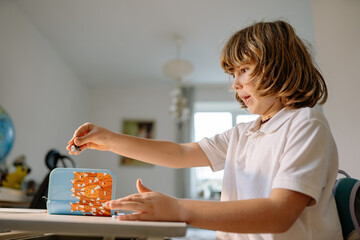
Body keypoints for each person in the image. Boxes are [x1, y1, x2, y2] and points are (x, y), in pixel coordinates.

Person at [67, 20, 343, 239]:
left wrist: (177, 209)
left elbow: (279, 214)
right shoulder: (242, 134)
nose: (234, 84)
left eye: (243, 70)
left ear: (280, 67)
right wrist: (110, 139)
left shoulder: (306, 124)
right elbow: (178, 154)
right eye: (232, 75)